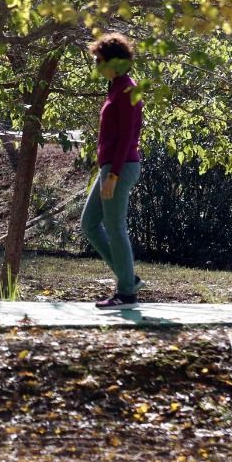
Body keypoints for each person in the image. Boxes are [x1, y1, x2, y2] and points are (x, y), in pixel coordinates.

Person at [82, 31, 145, 308]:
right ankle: (128, 277)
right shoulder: (116, 88)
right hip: (111, 168)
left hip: (121, 167)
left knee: (115, 227)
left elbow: (125, 139)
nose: (96, 66)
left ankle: (127, 293)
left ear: (115, 62)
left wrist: (114, 175)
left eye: (99, 61)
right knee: (89, 224)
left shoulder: (128, 89)